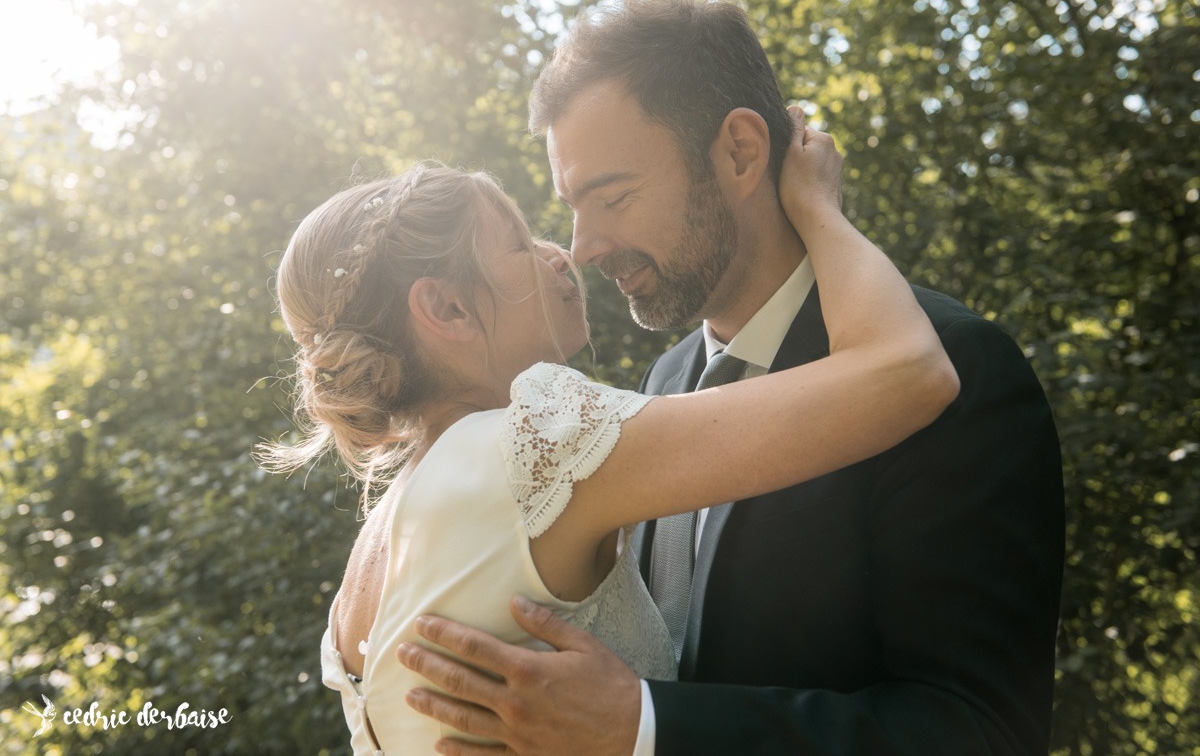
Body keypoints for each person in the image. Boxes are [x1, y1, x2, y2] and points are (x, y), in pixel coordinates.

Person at [397, 0, 1064, 756]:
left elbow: (984, 733)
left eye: (611, 196)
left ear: (741, 153)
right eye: (574, 206)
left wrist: (645, 729)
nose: (582, 247)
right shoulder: (659, 386)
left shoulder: (959, 368)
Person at [262, 107, 957, 754]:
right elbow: (908, 373)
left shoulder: (376, 551)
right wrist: (817, 208)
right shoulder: (535, 441)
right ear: (446, 309)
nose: (560, 253)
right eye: (516, 243)